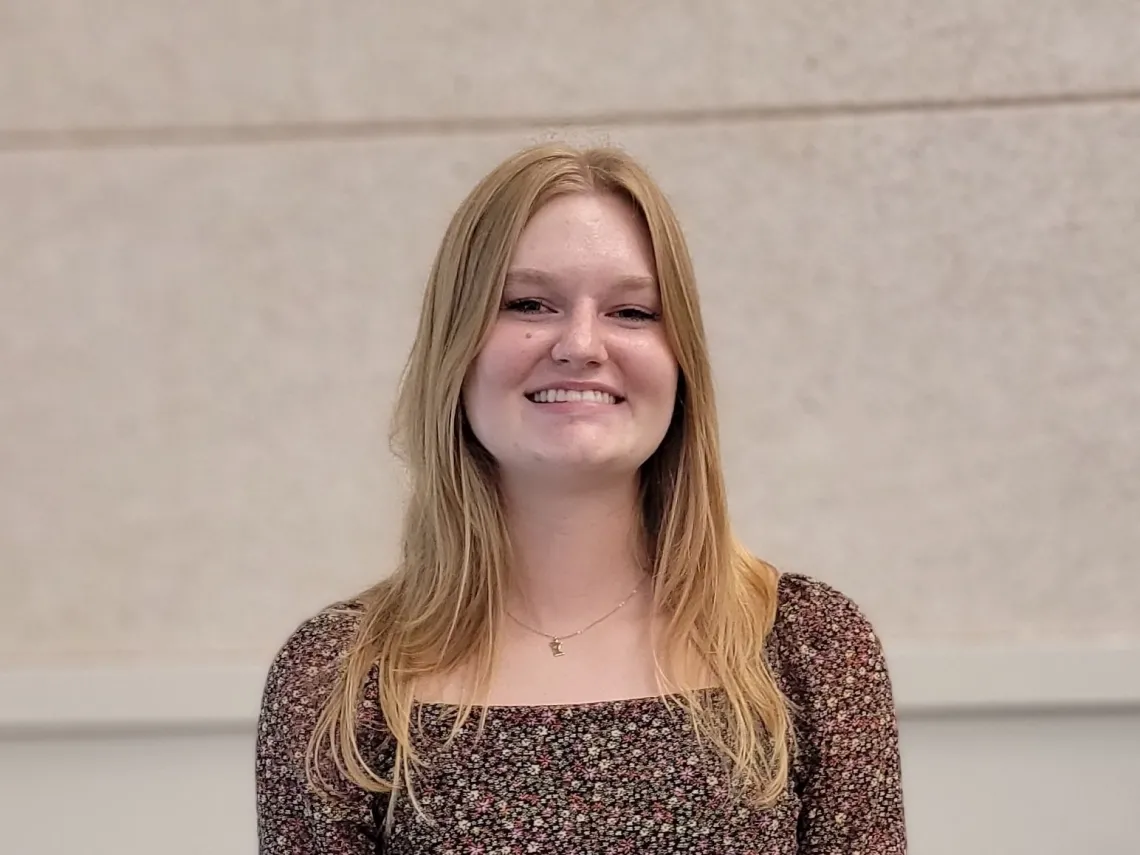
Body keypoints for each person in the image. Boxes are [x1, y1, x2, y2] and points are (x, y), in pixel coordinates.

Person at [255, 142, 906, 853]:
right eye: (529, 303)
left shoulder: (807, 648)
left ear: (681, 360)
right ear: (457, 346)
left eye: (632, 311)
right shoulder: (341, 678)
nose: (581, 344)